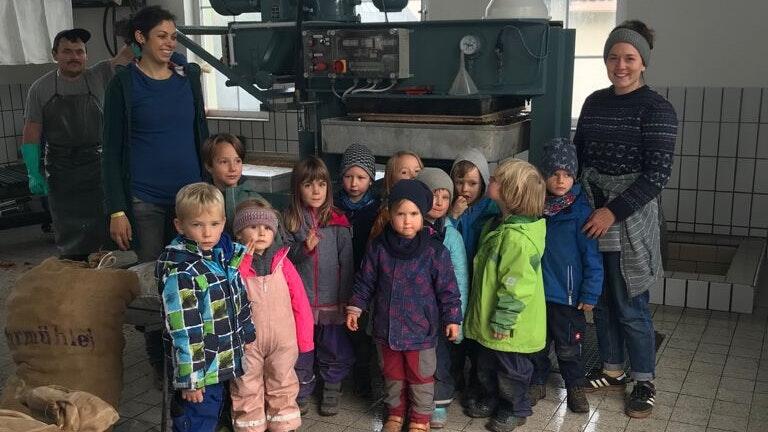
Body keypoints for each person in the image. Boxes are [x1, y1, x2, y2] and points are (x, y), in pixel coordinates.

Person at [574, 20, 678, 419]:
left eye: (629, 58)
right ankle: (613, 370)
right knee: (599, 299)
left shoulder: (657, 109)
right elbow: (580, 155)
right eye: (614, 57)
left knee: (630, 302)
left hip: (629, 219)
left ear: (643, 63)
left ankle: (644, 380)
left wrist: (611, 211)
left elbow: (656, 176)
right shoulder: (594, 102)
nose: (621, 65)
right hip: (590, 213)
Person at [102, 5, 209, 382]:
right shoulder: (124, 85)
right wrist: (117, 209)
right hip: (144, 198)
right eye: (161, 35)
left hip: (190, 199)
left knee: (191, 276)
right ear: (140, 38)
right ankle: (158, 361)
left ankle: (191, 352)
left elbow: (202, 133)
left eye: (173, 36)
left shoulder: (188, 76)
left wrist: (211, 185)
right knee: (153, 282)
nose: (170, 42)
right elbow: (111, 151)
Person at [346, 179, 462, 432]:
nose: (407, 220)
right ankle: (395, 414)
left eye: (414, 214)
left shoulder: (435, 252)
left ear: (423, 215)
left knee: (421, 377)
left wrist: (453, 319)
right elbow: (365, 281)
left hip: (421, 331)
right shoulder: (379, 248)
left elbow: (448, 290)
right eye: (401, 213)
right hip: (386, 330)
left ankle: (420, 419)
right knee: (392, 375)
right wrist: (356, 307)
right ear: (390, 214)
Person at [21, 28, 132, 260]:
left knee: (104, 233)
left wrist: (139, 29)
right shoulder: (40, 88)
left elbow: (129, 53)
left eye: (79, 52)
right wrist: (33, 172)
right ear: (55, 55)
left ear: (86, 55)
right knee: (69, 236)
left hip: (98, 167)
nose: (74, 57)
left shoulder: (100, 74)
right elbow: (32, 131)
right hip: (60, 171)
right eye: (67, 51)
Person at [155, 182, 255, 432]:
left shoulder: (220, 259)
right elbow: (185, 331)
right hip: (199, 373)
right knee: (196, 423)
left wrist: (246, 333)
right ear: (180, 226)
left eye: (214, 224)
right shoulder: (182, 272)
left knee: (212, 417)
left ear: (223, 222)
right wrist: (190, 380)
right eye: (197, 225)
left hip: (217, 364)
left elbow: (236, 299)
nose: (207, 233)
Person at [463, 158, 547, 432]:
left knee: (512, 371)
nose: (492, 181)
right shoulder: (500, 225)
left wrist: (503, 320)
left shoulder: (518, 239)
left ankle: (516, 408)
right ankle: (491, 399)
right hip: (490, 319)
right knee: (486, 364)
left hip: (509, 327)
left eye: (497, 179)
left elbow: (517, 285)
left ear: (512, 193)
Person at [528, 138, 603, 413]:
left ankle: (575, 388)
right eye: (554, 174)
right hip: (537, 295)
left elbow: (592, 257)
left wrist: (590, 293)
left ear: (575, 176)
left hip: (568, 298)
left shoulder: (581, 213)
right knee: (536, 344)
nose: (561, 180)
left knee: (569, 348)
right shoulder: (534, 209)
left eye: (567, 174)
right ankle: (536, 382)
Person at [230, 200, 314, 432]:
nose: (261, 232)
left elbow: (300, 302)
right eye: (254, 227)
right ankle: (251, 427)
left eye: (267, 227)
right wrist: (244, 259)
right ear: (238, 233)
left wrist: (305, 340)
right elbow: (230, 291)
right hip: (247, 343)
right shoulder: (234, 266)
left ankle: (283, 425)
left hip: (283, 341)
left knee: (283, 383)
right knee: (246, 386)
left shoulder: (283, 262)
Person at [283, 157, 355, 416]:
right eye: (308, 184)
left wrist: (347, 299)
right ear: (296, 188)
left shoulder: (337, 221)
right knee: (301, 348)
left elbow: (347, 263)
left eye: (321, 184)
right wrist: (304, 249)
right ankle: (301, 390)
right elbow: (283, 260)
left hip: (331, 301)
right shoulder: (290, 221)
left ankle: (332, 388)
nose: (316, 191)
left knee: (333, 347)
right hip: (300, 303)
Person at [416, 167, 469, 429]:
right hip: (413, 314)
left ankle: (438, 405)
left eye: (445, 197)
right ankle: (416, 404)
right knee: (416, 362)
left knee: (440, 361)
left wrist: (456, 319)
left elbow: (460, 279)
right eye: (432, 195)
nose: (438, 203)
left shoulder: (451, 236)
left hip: (440, 315)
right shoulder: (407, 228)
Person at [447, 148, 499, 406]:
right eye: (459, 182)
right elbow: (444, 237)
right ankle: (454, 376)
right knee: (455, 333)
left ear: (484, 183)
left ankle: (477, 383)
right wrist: (453, 216)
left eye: (472, 183)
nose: (465, 188)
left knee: (477, 336)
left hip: (480, 279)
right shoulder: (449, 207)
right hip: (456, 280)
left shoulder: (491, 209)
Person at [334, 143, 380, 398]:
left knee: (361, 329)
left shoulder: (376, 210)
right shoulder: (332, 206)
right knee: (339, 327)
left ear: (371, 179)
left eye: (361, 177)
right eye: (349, 176)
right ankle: (338, 373)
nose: (354, 183)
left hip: (364, 275)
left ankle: (363, 375)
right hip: (338, 273)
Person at [200, 133, 266, 234]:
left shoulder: (255, 201)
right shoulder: (198, 201)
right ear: (209, 166)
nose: (233, 168)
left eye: (238, 161)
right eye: (224, 162)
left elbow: (275, 242)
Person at [369, 150, 424, 240]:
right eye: (404, 172)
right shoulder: (386, 215)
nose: (413, 175)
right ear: (391, 180)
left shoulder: (428, 209)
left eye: (417, 171)